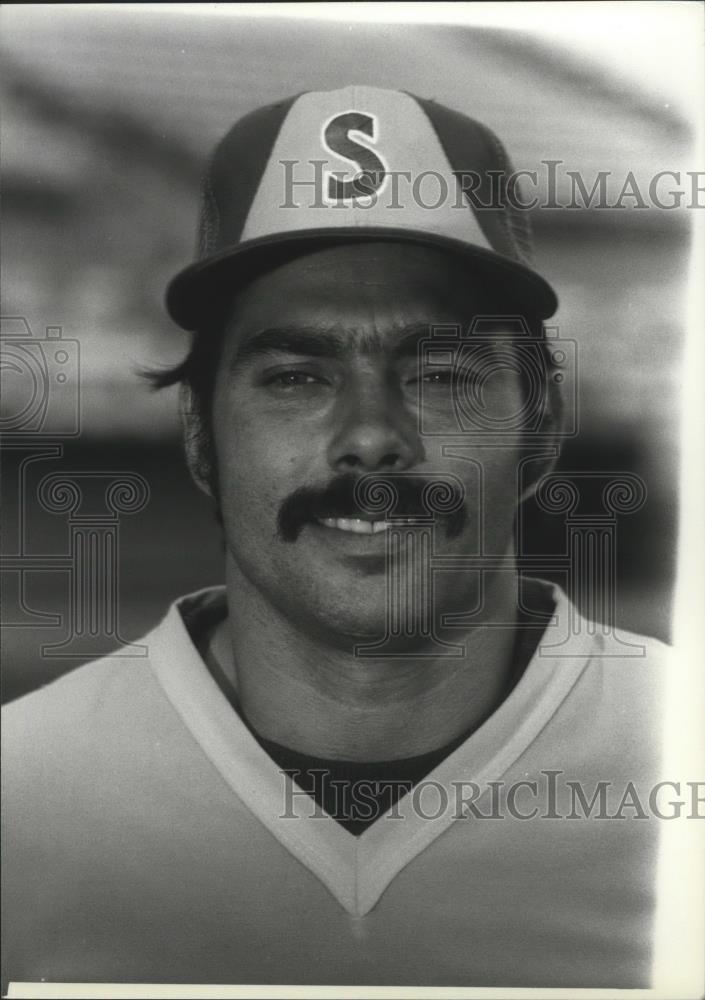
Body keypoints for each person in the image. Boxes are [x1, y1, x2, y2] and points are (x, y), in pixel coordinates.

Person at [2, 86, 668, 990]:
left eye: (437, 372)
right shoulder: (20, 793)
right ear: (200, 437)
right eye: (295, 376)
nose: (369, 435)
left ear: (540, 432)